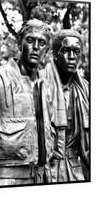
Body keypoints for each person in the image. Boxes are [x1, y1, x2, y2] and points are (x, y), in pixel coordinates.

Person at [0, 19, 55, 187]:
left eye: (42, 43)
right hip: (4, 179)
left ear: (46, 49)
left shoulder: (46, 85)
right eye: (30, 40)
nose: (36, 47)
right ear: (19, 43)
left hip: (41, 178)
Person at [42, 29, 89, 182]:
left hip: (76, 170)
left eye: (76, 52)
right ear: (55, 54)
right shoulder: (39, 83)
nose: (71, 57)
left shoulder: (86, 90)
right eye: (66, 51)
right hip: (46, 170)